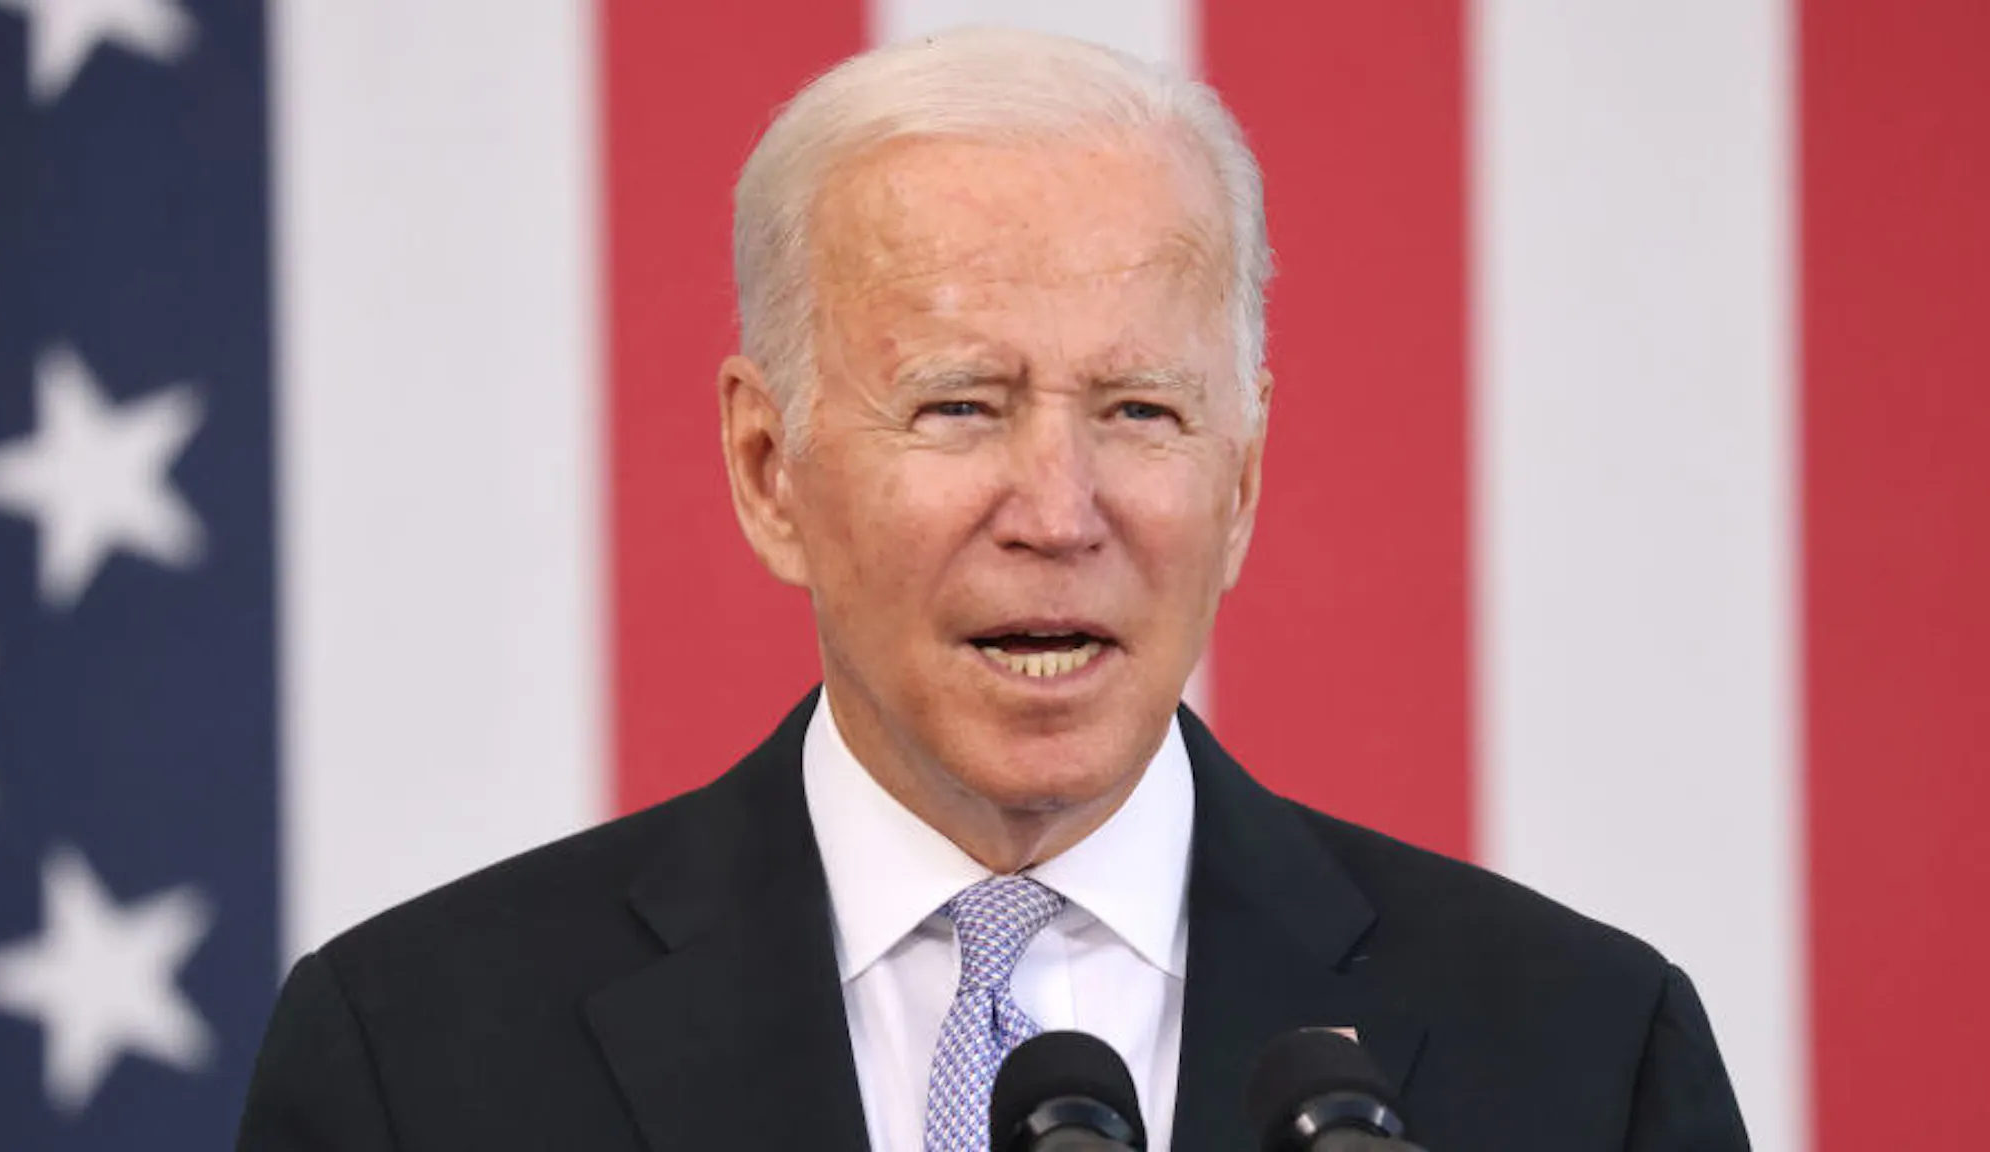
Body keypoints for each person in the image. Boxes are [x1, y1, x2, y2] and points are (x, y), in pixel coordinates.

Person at [238, 28, 1748, 1152]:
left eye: (1141, 412)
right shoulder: (417, 1064)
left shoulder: (1580, 1055)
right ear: (771, 468)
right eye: (961, 404)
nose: (1059, 510)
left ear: (1243, 481)